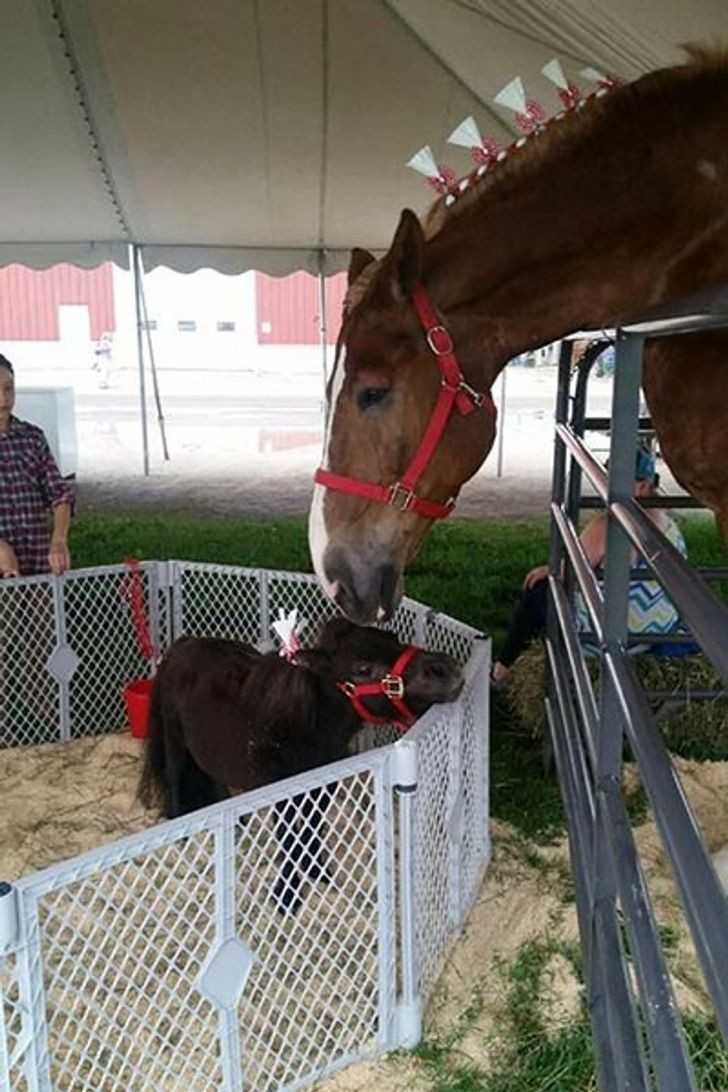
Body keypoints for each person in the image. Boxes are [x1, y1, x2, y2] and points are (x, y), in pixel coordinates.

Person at [491, 446, 687, 687]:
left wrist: (549, 571)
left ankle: (502, 669)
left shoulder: (609, 524)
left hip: (611, 634)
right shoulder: (667, 521)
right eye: (608, 478)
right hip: (656, 630)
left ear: (645, 485)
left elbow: (569, 570)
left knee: (539, 587)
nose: (608, 486)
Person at [0, 353, 75, 578]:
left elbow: (60, 495)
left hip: (40, 570)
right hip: (5, 573)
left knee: (48, 614)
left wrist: (59, 540)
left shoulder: (32, 438)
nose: (3, 400)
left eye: (8, 389)